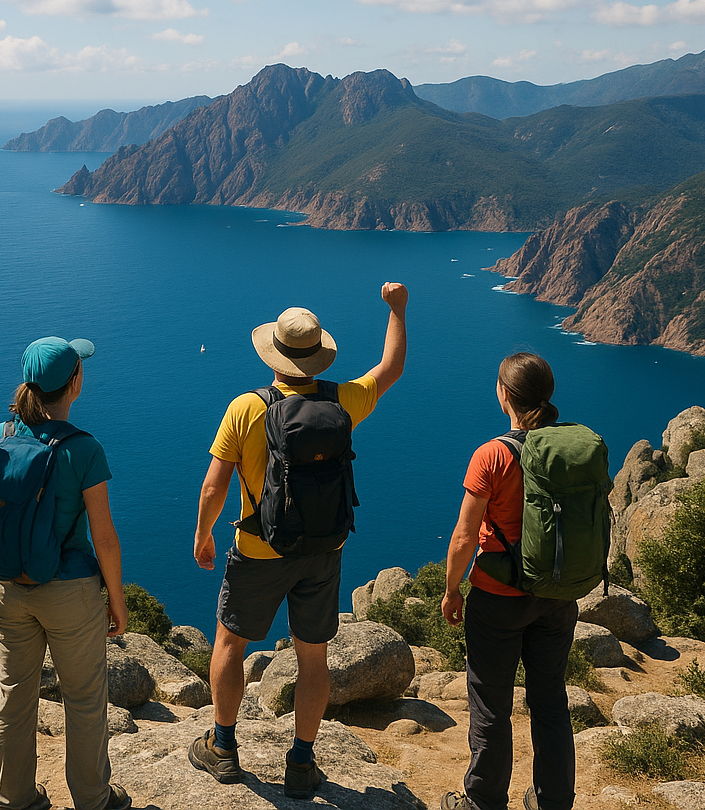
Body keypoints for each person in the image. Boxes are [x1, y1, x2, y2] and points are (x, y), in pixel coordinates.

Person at [190, 285, 408, 799]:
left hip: (258, 549)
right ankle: (302, 763)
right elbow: (390, 368)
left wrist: (203, 536)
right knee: (313, 658)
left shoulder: (246, 408)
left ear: (274, 352)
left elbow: (214, 486)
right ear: (317, 355)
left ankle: (223, 747)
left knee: (231, 642)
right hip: (323, 552)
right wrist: (397, 311)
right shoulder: (342, 400)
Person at [0, 336, 131, 810]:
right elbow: (104, 538)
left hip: (6, 589)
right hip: (69, 593)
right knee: (84, 700)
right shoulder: (83, 449)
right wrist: (116, 602)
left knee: (14, 694)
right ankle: (93, 798)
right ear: (74, 383)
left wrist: (4, 567)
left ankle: (13, 796)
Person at [440, 353, 576, 810]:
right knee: (550, 700)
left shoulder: (493, 454)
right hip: (557, 594)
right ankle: (554, 800)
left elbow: (464, 537)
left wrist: (452, 590)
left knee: (491, 704)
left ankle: (483, 801)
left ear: (504, 395)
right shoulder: (571, 447)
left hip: (498, 598)